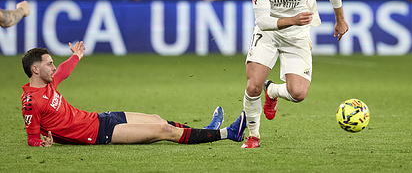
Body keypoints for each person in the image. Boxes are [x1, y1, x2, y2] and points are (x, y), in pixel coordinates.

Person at [21, 41, 246, 147]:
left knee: (158, 119)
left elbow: (63, 72)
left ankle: (207, 131)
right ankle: (228, 133)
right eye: (49, 64)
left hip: (99, 118)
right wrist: (41, 144)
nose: (53, 67)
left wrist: (77, 56)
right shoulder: (32, 101)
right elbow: (32, 138)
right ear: (35, 69)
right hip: (98, 135)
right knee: (165, 130)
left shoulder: (48, 83)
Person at [241, 0, 349, 148]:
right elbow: (262, 21)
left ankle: (272, 91)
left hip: (297, 36)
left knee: (298, 93)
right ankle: (253, 136)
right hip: (268, 35)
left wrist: (340, 20)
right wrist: (293, 19)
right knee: (253, 86)